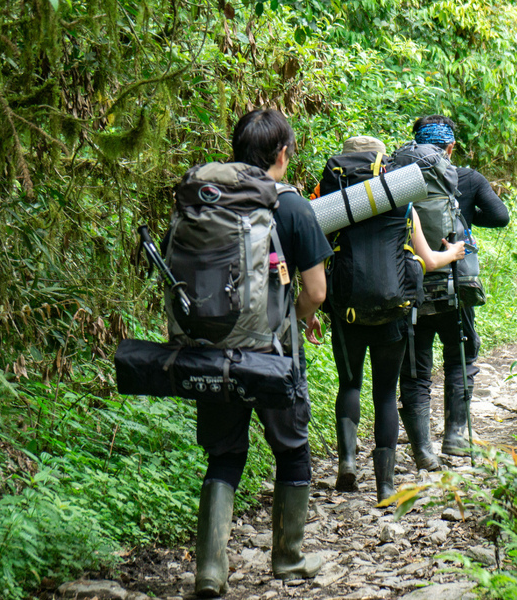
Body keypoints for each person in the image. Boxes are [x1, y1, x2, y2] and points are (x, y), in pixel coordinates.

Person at [194, 109, 332, 598]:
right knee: (292, 449)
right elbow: (314, 291)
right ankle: (288, 558)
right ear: (282, 154)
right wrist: (294, 318)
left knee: (225, 455)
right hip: (274, 355)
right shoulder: (293, 209)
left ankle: (210, 568)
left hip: (212, 351)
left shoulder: (208, 202)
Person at [324, 136, 464, 505]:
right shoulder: (400, 200)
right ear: (381, 164)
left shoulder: (330, 202)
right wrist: (453, 253)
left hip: (346, 309)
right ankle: (385, 487)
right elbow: (430, 262)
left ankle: (348, 463)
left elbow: (316, 256)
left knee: (349, 385)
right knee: (385, 394)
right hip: (395, 307)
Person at [399, 115, 510, 469]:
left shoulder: (396, 179)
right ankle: (456, 437)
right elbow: (501, 216)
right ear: (450, 148)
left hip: (410, 284)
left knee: (416, 367)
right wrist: (465, 215)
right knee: (461, 353)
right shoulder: (467, 178)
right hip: (454, 283)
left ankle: (422, 450)